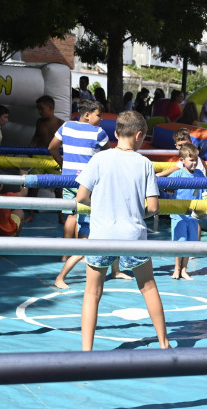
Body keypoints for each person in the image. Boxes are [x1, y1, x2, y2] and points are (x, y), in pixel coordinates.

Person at [77, 110, 169, 352]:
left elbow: (81, 197)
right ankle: (164, 343)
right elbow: (153, 207)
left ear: (116, 133)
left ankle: (86, 352)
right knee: (148, 287)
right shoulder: (145, 164)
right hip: (133, 236)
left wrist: (101, 207)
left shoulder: (99, 159)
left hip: (101, 235)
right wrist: (135, 213)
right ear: (139, 135)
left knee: (92, 293)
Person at [51, 100, 129, 289]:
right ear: (87, 115)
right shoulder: (98, 133)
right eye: (99, 115)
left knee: (73, 216)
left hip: (68, 180)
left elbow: (51, 148)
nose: (101, 119)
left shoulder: (66, 126)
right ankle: (79, 255)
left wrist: (64, 166)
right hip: (88, 184)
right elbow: (109, 155)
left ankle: (67, 253)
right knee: (90, 226)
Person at [167, 143, 207, 280]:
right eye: (191, 160)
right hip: (179, 215)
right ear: (182, 161)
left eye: (196, 160)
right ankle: (176, 269)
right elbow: (166, 187)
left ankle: (184, 269)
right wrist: (169, 190)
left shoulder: (199, 174)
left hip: (193, 215)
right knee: (180, 242)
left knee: (190, 244)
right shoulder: (177, 175)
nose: (194, 163)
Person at [27, 95, 65, 223]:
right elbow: (36, 136)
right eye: (38, 109)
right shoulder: (39, 122)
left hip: (54, 157)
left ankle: (61, 215)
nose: (39, 111)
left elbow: (68, 141)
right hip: (38, 156)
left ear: (51, 108)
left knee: (58, 188)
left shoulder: (61, 123)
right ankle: (30, 214)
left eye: (42, 109)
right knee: (33, 186)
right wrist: (29, 147)